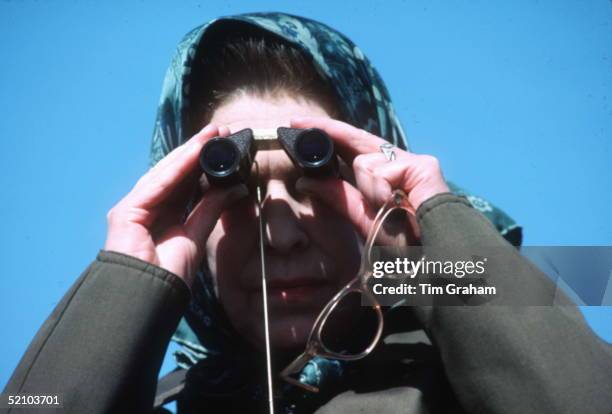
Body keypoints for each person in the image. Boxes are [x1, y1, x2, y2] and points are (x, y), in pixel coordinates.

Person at [3, 12, 612, 414]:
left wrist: (428, 244)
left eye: (316, 180)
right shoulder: (159, 401)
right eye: (235, 194)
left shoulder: (478, 373)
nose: (283, 233)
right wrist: (128, 285)